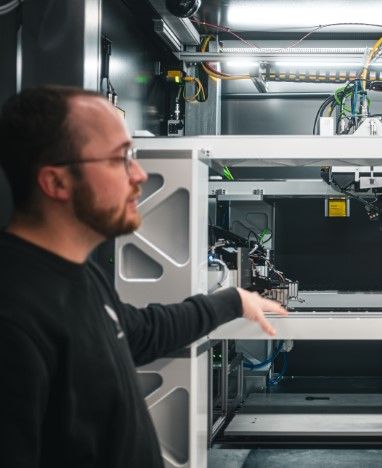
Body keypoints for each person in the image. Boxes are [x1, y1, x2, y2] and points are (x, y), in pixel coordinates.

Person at [0, 86, 288, 467]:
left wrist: (234, 300)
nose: (139, 175)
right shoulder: (14, 316)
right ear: (56, 182)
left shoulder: (76, 273)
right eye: (120, 159)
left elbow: (140, 332)